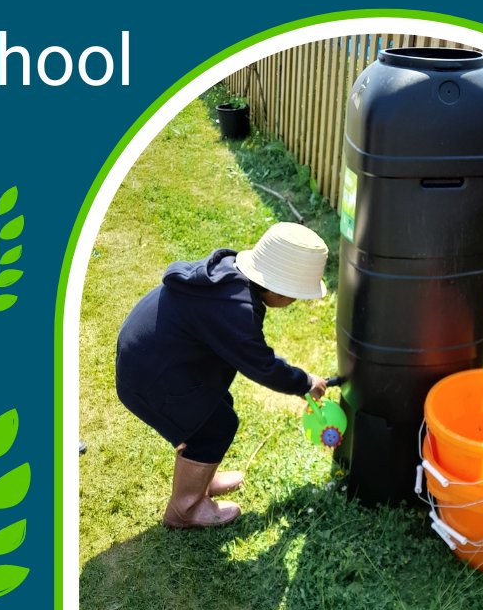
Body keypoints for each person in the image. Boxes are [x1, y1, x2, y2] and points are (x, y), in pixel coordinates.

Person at [115, 222, 329, 529]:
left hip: (147, 360)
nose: (296, 301)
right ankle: (185, 510)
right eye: (296, 294)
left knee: (216, 407)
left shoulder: (228, 276)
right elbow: (261, 364)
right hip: (149, 378)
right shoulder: (237, 308)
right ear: (281, 287)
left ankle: (201, 479)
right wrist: (304, 383)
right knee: (213, 428)